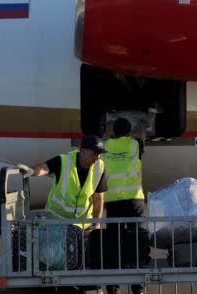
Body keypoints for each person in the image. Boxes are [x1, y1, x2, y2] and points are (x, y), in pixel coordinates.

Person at [17, 135, 106, 229]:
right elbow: (45, 168)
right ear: (82, 151)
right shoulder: (64, 160)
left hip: (81, 224)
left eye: (99, 154)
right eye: (94, 154)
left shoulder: (99, 167)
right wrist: (32, 171)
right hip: (57, 221)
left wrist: (96, 224)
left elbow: (98, 199)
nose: (97, 158)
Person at [104, 117, 145, 294]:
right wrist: (142, 124)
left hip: (113, 201)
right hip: (134, 199)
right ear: (129, 132)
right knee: (135, 240)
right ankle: (138, 286)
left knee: (115, 242)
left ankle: (113, 286)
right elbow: (142, 137)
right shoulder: (135, 145)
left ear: (114, 131)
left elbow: (103, 137)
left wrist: (108, 130)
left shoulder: (105, 146)